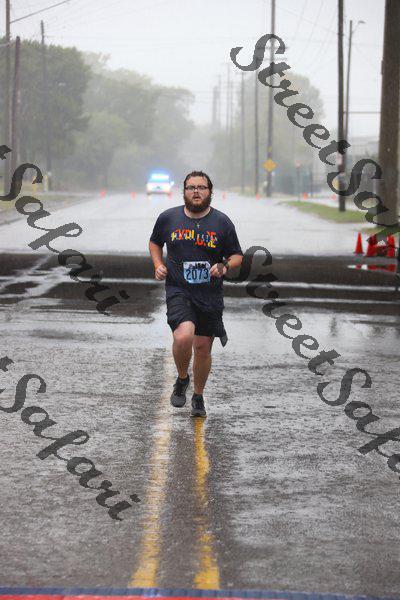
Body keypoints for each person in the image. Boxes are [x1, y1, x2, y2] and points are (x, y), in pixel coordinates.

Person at [149, 171, 243, 418]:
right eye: (191, 187)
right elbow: (155, 242)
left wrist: (224, 266)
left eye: (201, 187)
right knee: (183, 337)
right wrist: (158, 264)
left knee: (202, 348)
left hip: (209, 294)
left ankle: (198, 396)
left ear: (210, 191)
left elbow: (237, 256)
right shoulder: (168, 218)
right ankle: (182, 378)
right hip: (179, 289)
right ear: (184, 191)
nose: (196, 191)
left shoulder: (222, 222)